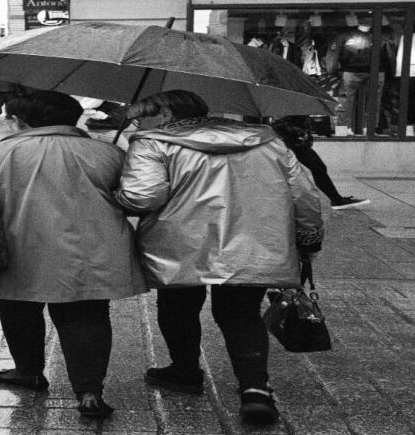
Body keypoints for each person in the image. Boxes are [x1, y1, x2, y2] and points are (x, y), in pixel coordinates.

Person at [114, 90, 324, 425]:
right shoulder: (266, 140)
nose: (137, 123)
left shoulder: (152, 142)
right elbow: (305, 194)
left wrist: (116, 191)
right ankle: (255, 390)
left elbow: (144, 198)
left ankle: (184, 371)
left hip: (179, 244)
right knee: (241, 313)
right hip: (254, 242)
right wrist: (309, 239)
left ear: (166, 115)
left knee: (178, 306)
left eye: (142, 117)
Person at [0, 91, 147, 418]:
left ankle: (29, 371)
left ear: (24, 121)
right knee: (87, 315)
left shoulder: (0, 154)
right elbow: (135, 196)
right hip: (91, 250)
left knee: (18, 308)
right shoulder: (107, 153)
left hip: (20, 247)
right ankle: (90, 391)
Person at [271, 115, 370, 210]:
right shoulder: (289, 104)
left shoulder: (301, 104)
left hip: (297, 143)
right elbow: (279, 124)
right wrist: (300, 133)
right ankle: (336, 200)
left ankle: (336, 200)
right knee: (313, 169)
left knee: (318, 168)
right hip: (289, 143)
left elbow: (300, 124)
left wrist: (306, 135)